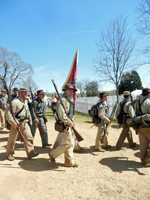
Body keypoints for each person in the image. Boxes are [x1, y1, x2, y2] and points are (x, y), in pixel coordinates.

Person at [49, 83, 78, 167]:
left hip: (70, 124)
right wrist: (69, 122)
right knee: (68, 144)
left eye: (72, 90)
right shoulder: (62, 101)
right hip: (65, 125)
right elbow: (61, 115)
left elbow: (68, 113)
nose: (71, 92)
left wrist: (72, 119)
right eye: (69, 90)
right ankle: (52, 154)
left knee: (71, 144)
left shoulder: (69, 101)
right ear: (65, 91)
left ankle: (69, 162)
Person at [6, 88, 39, 161]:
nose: (26, 94)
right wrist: (13, 123)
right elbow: (8, 114)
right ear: (20, 93)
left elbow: (28, 112)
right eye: (25, 93)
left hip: (25, 122)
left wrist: (30, 122)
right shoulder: (14, 102)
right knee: (12, 139)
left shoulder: (25, 101)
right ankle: (9, 153)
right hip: (16, 123)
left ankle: (30, 152)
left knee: (29, 137)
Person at [134, 88, 150, 165]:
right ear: (149, 94)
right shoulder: (149, 101)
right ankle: (148, 159)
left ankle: (143, 160)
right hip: (148, 126)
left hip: (140, 125)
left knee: (143, 144)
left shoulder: (137, 102)